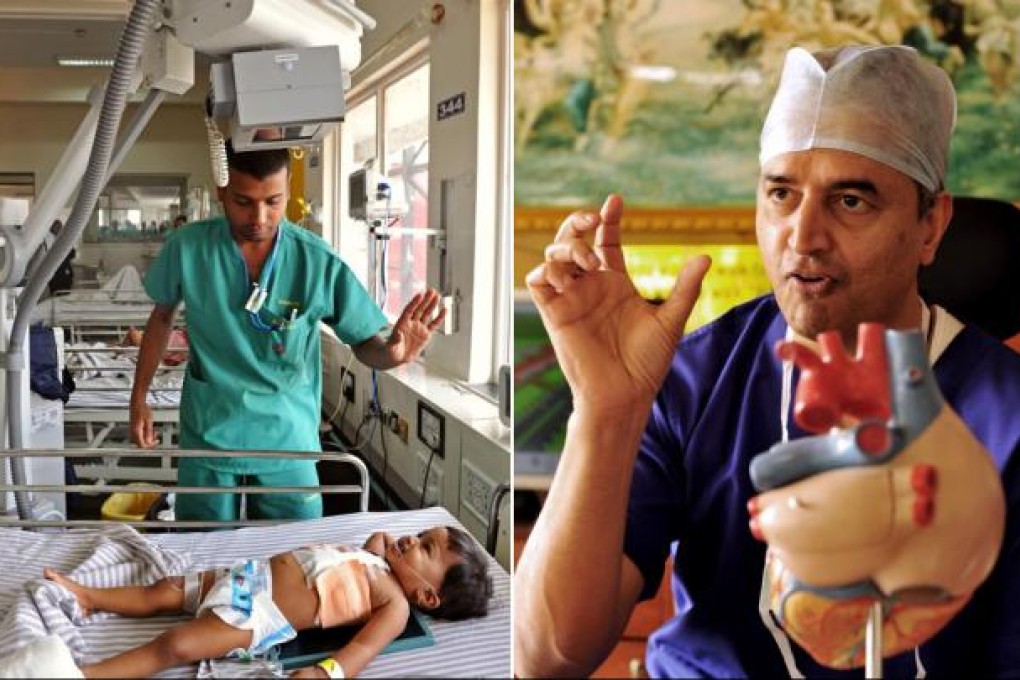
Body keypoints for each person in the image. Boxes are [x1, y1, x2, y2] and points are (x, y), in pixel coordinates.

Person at [514, 44, 1020, 677]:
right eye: (781, 194)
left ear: (930, 226)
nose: (803, 238)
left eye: (851, 201)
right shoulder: (692, 377)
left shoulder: (1007, 416)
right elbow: (544, 658)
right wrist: (604, 409)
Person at [130, 138, 447, 523]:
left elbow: (366, 342)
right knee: (203, 548)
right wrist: (139, 396)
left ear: (287, 193)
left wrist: (393, 355)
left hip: (286, 436)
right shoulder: (188, 248)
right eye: (243, 202)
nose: (259, 217)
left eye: (273, 202)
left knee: (297, 553)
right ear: (222, 192)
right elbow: (161, 318)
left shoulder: (315, 260)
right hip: (212, 426)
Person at [43, 525, 492, 678]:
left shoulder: (393, 603)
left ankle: (86, 675)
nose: (411, 540)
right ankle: (88, 596)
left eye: (426, 548)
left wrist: (323, 673)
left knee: (176, 645)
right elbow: (377, 538)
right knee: (164, 589)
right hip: (245, 577)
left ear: (427, 596)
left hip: (259, 613)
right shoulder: (379, 558)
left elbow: (360, 651)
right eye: (423, 535)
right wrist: (401, 552)